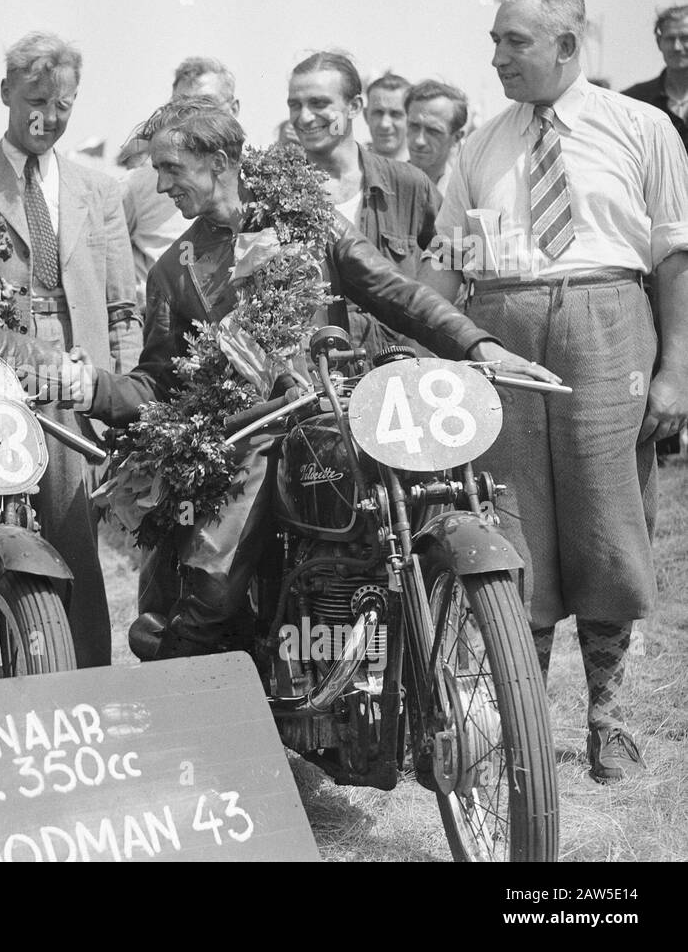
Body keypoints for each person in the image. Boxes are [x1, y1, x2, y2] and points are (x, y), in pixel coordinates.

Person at [71, 96, 548, 661]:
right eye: (157, 170)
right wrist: (94, 389)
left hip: (339, 417)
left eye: (172, 168)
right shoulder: (174, 268)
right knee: (214, 587)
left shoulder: (308, 220)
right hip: (249, 439)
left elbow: (396, 293)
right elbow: (158, 382)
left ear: (220, 160)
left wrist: (481, 345)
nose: (161, 185)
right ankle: (201, 677)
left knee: (434, 501)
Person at [422, 0, 688, 782]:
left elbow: (674, 257)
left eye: (515, 42)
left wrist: (677, 369)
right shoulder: (479, 146)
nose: (496, 56)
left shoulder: (641, 128)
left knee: (609, 519)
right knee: (512, 519)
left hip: (608, 324)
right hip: (502, 337)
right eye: (495, 40)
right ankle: (520, 717)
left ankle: (608, 717)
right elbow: (447, 265)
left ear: (568, 46)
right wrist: (432, 354)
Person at [0, 33, 140, 668]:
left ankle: (87, 682)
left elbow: (123, 308)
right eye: (34, 99)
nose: (47, 117)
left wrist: (119, 397)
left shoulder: (100, 191)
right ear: (5, 92)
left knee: (72, 538)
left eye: (62, 104)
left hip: (77, 391)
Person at [287, 52, 440, 352]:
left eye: (319, 103)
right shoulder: (278, 195)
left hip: (399, 364)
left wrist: (420, 335)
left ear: (355, 106)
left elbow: (454, 255)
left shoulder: (407, 183)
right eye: (295, 105)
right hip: (319, 371)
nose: (303, 117)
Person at [121, 57, 241, 299]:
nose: (192, 120)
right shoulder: (139, 184)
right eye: (182, 107)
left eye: (207, 106)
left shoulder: (259, 178)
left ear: (234, 109)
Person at [623, 3, 688, 154]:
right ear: (659, 43)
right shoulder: (633, 101)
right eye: (670, 39)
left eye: (685, 38)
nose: (677, 47)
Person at [405, 79, 469, 196]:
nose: (419, 141)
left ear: (456, 138)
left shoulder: (466, 196)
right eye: (414, 126)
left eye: (433, 131)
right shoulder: (384, 188)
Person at [364, 72, 410, 160]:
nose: (384, 124)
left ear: (411, 119)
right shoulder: (349, 168)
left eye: (395, 114)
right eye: (378, 113)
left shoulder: (427, 170)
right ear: (366, 116)